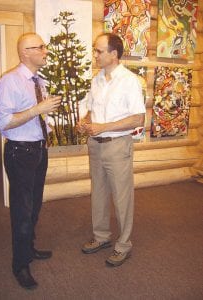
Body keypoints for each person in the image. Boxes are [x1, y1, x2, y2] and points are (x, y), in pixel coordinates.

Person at [0, 32, 61, 289]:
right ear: (25, 53)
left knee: (33, 207)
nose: (45, 50)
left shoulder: (38, 81)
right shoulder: (9, 81)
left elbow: (34, 116)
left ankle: (29, 248)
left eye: (44, 46)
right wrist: (37, 110)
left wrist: (46, 123)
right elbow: (3, 122)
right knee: (22, 212)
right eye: (40, 47)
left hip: (38, 150)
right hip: (19, 153)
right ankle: (19, 264)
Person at [77, 33, 146, 267]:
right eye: (95, 50)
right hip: (95, 145)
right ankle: (101, 237)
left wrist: (103, 127)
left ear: (113, 54)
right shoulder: (96, 79)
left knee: (122, 197)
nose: (94, 55)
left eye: (98, 51)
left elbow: (138, 118)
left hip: (117, 146)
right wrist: (84, 121)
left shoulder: (129, 81)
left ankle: (124, 245)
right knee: (98, 193)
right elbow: (89, 108)